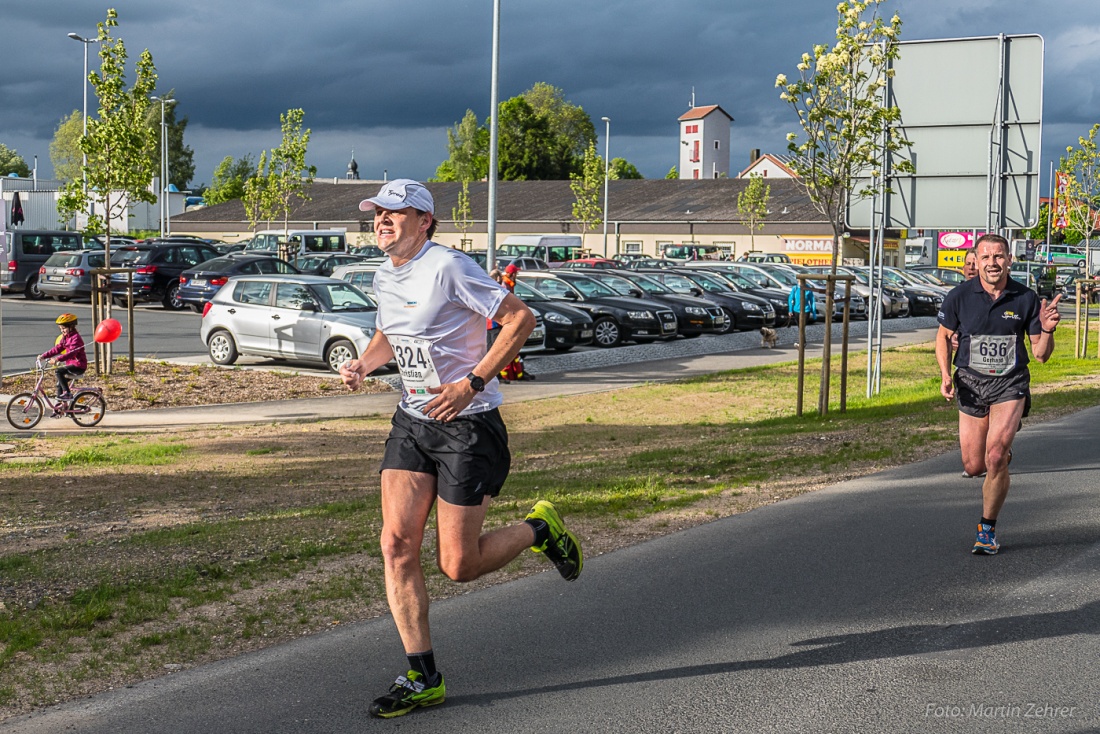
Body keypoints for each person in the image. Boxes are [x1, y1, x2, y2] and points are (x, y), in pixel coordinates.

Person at [338, 179, 582, 718]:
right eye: (377, 213)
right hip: (412, 421)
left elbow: (520, 319)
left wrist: (470, 382)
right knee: (396, 545)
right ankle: (422, 676)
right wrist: (365, 362)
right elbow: (390, 332)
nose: (382, 221)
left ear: (424, 220)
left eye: (394, 213)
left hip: (467, 425)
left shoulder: (449, 266)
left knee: (459, 566)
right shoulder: (383, 272)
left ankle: (539, 529)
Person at [935, 234, 1061, 555]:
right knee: (975, 464)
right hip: (971, 384)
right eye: (986, 257)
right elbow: (942, 337)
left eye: (999, 256)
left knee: (994, 455)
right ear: (975, 261)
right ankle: (1000, 458)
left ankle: (987, 530)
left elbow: (1042, 355)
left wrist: (1046, 330)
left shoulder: (1025, 298)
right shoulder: (959, 296)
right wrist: (946, 375)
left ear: (1009, 259)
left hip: (1010, 384)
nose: (993, 263)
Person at [497, 263, 533, 382]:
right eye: (516, 273)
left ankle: (517, 372)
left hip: (509, 320)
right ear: (511, 274)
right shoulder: (504, 285)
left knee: (514, 349)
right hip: (503, 322)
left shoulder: (509, 284)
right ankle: (503, 374)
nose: (517, 275)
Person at [39, 313, 87, 402]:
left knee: (58, 371)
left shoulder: (76, 338)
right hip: (71, 365)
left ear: (71, 327)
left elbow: (71, 353)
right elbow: (57, 348)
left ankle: (67, 393)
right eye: (60, 328)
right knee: (59, 385)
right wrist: (43, 356)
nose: (62, 331)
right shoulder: (66, 337)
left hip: (78, 366)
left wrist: (57, 359)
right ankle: (60, 408)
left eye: (64, 328)